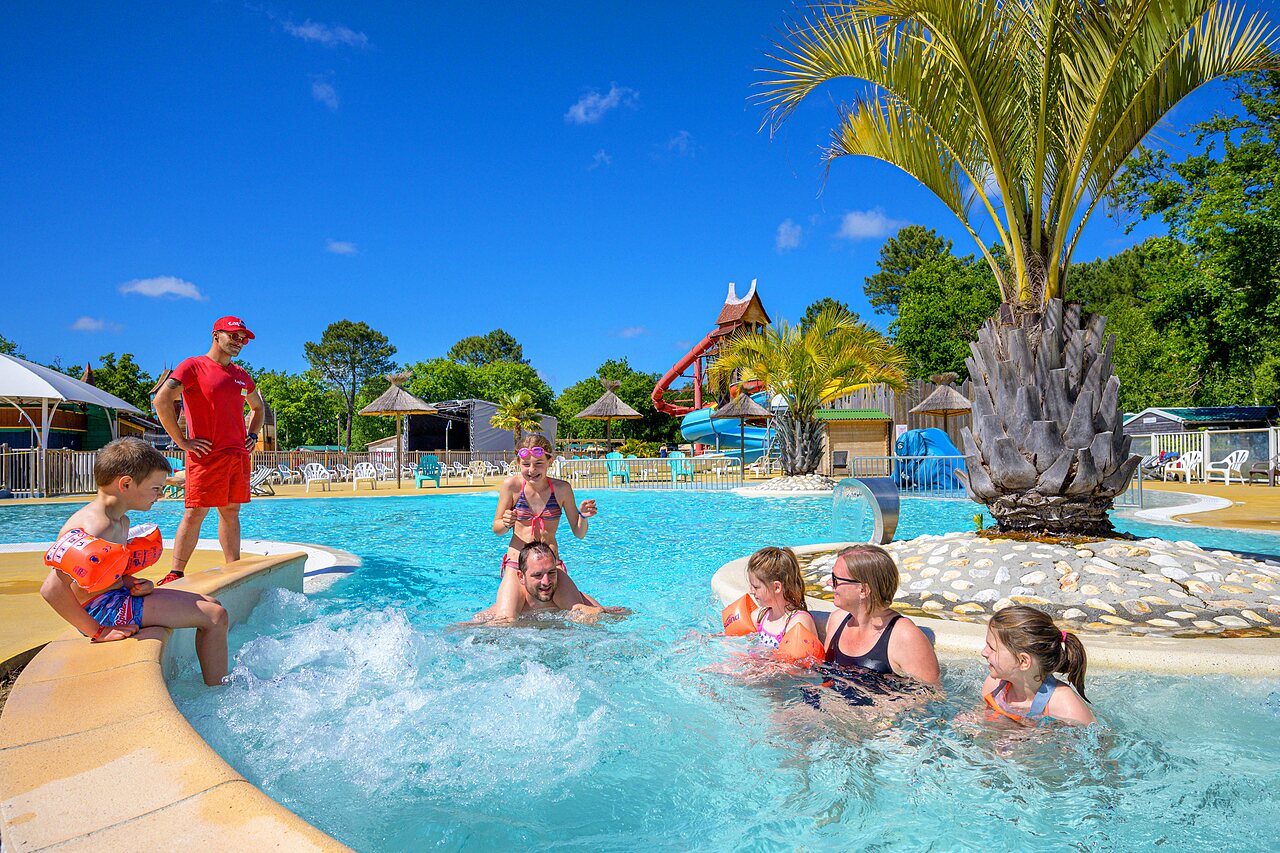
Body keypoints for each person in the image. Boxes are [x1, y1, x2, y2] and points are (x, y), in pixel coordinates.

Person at [39, 438, 230, 686]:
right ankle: (218, 693)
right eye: (155, 488)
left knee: (213, 604)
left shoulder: (119, 521)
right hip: (101, 611)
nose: (160, 495)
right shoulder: (94, 527)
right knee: (215, 615)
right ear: (126, 484)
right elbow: (52, 589)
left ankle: (216, 682)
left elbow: (99, 573)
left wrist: (131, 583)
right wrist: (97, 631)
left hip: (114, 598)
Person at [154, 316, 265, 585]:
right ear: (216, 335)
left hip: (236, 455)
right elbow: (161, 399)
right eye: (233, 336)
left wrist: (252, 435)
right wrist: (181, 441)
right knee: (195, 513)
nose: (239, 342)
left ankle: (233, 568)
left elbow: (258, 407)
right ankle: (176, 572)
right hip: (205, 455)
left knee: (230, 512)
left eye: (243, 338)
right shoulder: (193, 366)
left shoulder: (241, 375)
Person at [491, 433, 595, 611]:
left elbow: (579, 533)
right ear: (518, 464)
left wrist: (583, 516)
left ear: (550, 461)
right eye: (525, 464)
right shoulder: (512, 486)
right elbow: (497, 529)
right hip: (517, 563)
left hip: (550, 566)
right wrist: (506, 523)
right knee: (505, 620)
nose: (532, 470)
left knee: (583, 614)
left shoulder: (562, 489)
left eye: (539, 463)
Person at [823, 544, 940, 685]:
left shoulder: (904, 636)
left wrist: (877, 706)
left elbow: (932, 695)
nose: (829, 583)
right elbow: (827, 677)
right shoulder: (836, 620)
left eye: (835, 579)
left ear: (863, 590)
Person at [980, 606, 1095, 726]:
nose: (984, 652)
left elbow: (1101, 742)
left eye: (992, 648)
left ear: (1023, 661)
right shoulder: (994, 685)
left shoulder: (1065, 705)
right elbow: (983, 714)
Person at [474, 542, 625, 623]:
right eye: (538, 575)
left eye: (551, 573)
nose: (546, 582)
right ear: (521, 577)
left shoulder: (577, 602)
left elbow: (620, 615)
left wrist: (601, 612)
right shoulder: (507, 610)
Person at [747, 546, 818, 649]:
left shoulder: (798, 622)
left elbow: (799, 663)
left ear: (776, 587)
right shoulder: (760, 616)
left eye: (756, 587)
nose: (751, 591)